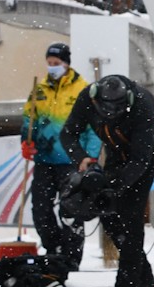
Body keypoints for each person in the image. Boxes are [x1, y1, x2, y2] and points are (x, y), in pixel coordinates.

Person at [62, 74, 154, 287]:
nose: (110, 114)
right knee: (108, 215)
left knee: (131, 217)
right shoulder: (87, 98)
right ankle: (145, 280)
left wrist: (117, 187)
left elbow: (140, 159)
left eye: (116, 110)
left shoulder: (143, 103)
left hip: (144, 156)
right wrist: (82, 159)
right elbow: (68, 133)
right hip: (115, 153)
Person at [21, 43, 98, 273]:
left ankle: (72, 256)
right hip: (45, 159)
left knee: (71, 209)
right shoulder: (40, 89)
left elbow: (94, 128)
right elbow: (28, 119)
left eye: (56, 63)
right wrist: (26, 141)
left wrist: (90, 156)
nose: (52, 67)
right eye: (49, 63)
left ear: (66, 63)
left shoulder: (82, 90)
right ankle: (53, 248)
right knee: (40, 207)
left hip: (72, 160)